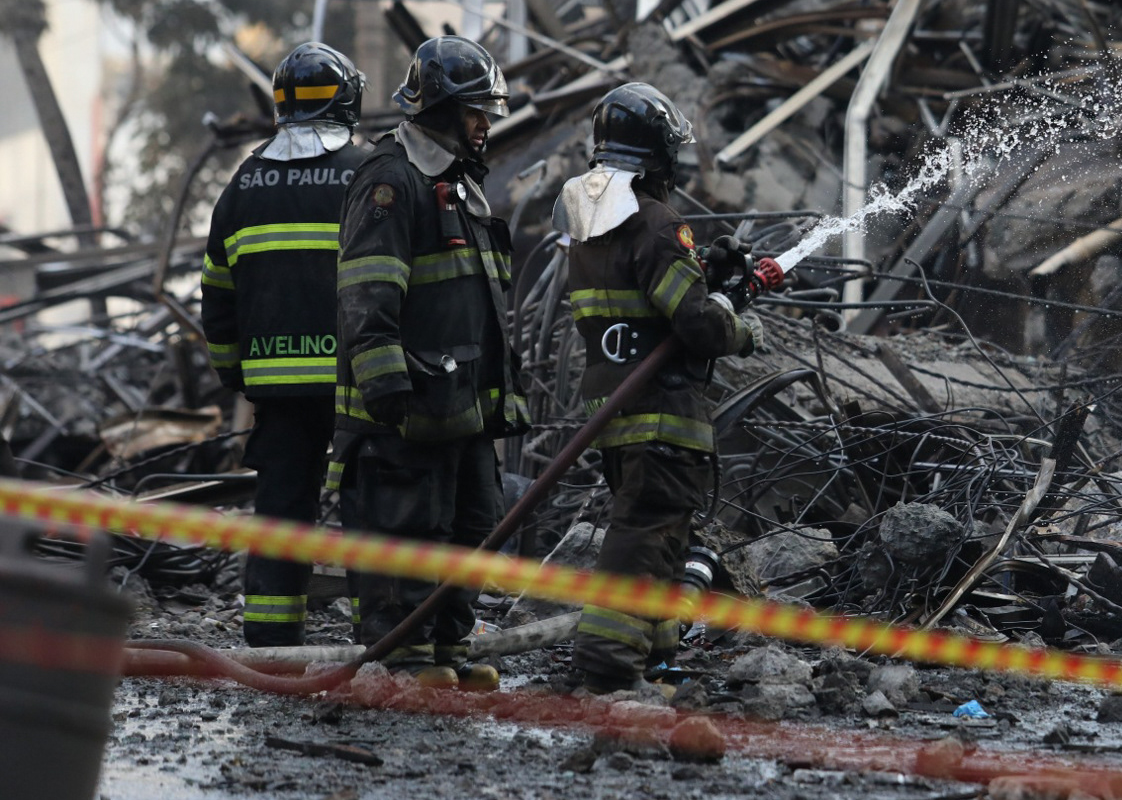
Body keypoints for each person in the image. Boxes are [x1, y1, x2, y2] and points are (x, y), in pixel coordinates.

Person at [332, 35, 527, 689]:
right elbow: (367, 293)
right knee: (406, 527)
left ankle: (445, 646)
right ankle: (403, 653)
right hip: (407, 412)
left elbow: (483, 304)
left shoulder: (462, 186)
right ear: (444, 108)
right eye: (478, 111)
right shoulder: (392, 180)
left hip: (461, 408)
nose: (487, 124)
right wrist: (391, 392)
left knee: (472, 524)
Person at [554, 82, 758, 692]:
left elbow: (648, 300)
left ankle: (655, 659)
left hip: (614, 408)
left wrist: (707, 277)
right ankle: (608, 664)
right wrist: (741, 330)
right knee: (644, 535)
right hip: (663, 409)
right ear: (660, 157)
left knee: (664, 538)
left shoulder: (593, 222)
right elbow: (695, 323)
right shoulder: (659, 222)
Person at [202, 42, 368, 647]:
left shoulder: (243, 184)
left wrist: (236, 375)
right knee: (366, 508)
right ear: (348, 101)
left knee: (279, 512)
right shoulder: (364, 173)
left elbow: (217, 294)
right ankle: (374, 636)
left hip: (275, 388)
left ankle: (271, 639)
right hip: (356, 383)